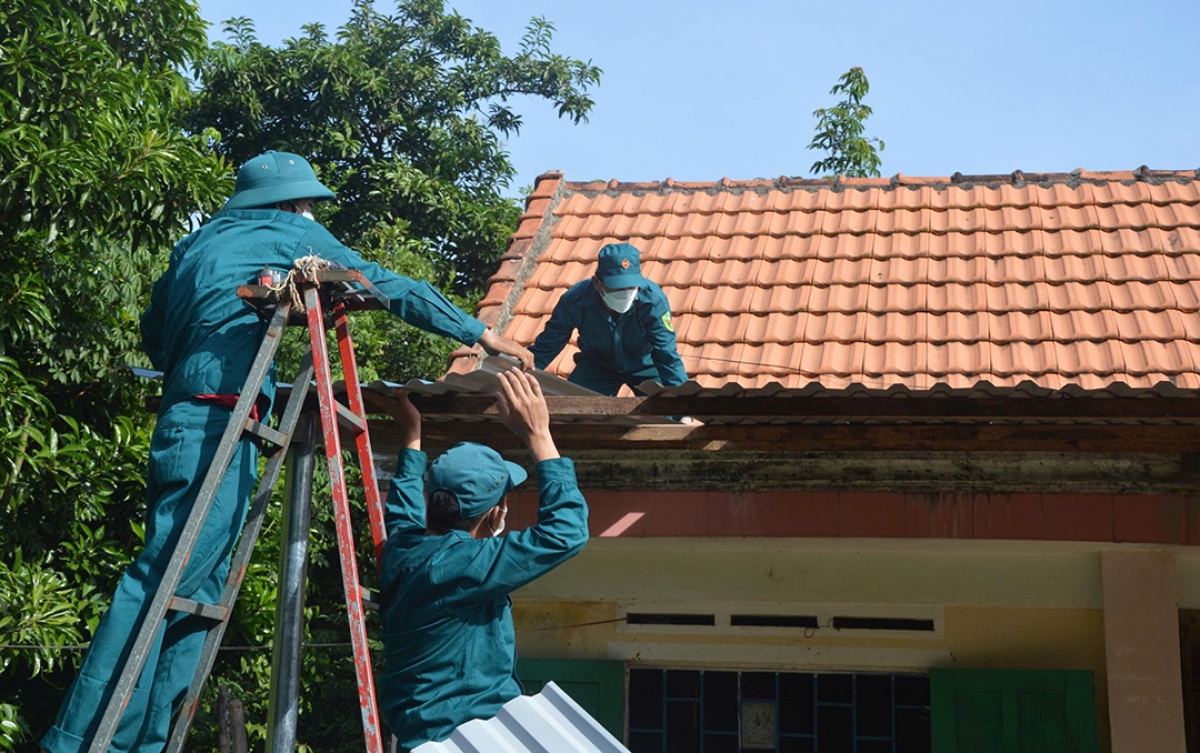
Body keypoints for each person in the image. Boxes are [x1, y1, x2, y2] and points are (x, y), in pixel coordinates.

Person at [40, 150, 534, 753]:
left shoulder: (196, 244)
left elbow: (155, 330)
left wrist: (207, 354)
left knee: (197, 591)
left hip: (189, 420)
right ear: (293, 203)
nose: (311, 213)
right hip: (220, 422)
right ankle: (76, 742)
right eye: (308, 204)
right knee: (162, 581)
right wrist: (481, 334)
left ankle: (143, 742)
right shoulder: (291, 232)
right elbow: (389, 286)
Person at [378, 369, 588, 751]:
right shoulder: (461, 566)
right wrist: (539, 436)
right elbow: (565, 532)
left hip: (423, 739)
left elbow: (403, 511)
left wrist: (412, 433)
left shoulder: (404, 548)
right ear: (495, 513)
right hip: (464, 739)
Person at [530, 241, 687, 396]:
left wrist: (682, 401)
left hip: (645, 364)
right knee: (573, 406)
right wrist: (524, 374)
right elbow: (548, 345)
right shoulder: (575, 301)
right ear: (597, 283)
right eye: (617, 288)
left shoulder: (653, 301)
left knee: (666, 406)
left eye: (631, 286)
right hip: (597, 365)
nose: (625, 293)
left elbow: (666, 353)